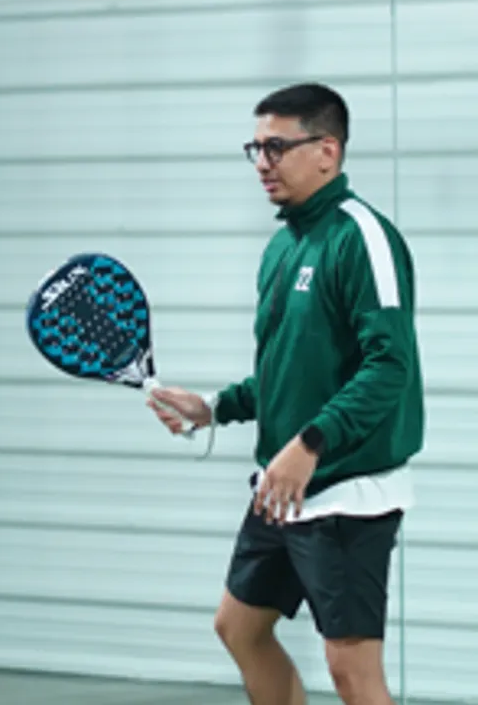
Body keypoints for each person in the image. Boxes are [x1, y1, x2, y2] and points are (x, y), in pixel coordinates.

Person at [148, 82, 424, 705]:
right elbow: (287, 371)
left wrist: (310, 444)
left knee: (352, 671)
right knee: (239, 628)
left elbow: (390, 367)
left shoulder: (364, 238)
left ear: (327, 151)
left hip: (348, 491)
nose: (262, 163)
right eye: (256, 148)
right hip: (282, 487)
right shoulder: (283, 246)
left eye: (277, 147)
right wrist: (214, 408)